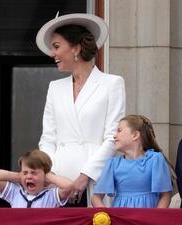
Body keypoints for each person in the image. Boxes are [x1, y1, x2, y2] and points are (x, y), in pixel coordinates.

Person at [35, 13, 126, 207]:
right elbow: (48, 138)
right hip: (58, 183)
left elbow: (112, 137)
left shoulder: (112, 84)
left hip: (95, 179)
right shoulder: (55, 87)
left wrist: (85, 176)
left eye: (57, 47)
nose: (53, 54)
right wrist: (50, 175)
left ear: (76, 48)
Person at [91, 115, 174, 208]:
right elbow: (96, 197)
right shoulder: (113, 164)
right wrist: (107, 217)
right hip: (121, 219)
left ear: (135, 135)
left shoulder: (155, 159)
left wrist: (155, 218)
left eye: (119, 130)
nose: (114, 136)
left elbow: (165, 195)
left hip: (147, 219)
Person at [0, 149, 73, 208]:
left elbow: (69, 186)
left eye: (34, 173)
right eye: (25, 172)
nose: (29, 176)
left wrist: (48, 177)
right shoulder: (15, 193)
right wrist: (19, 177)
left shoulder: (51, 196)